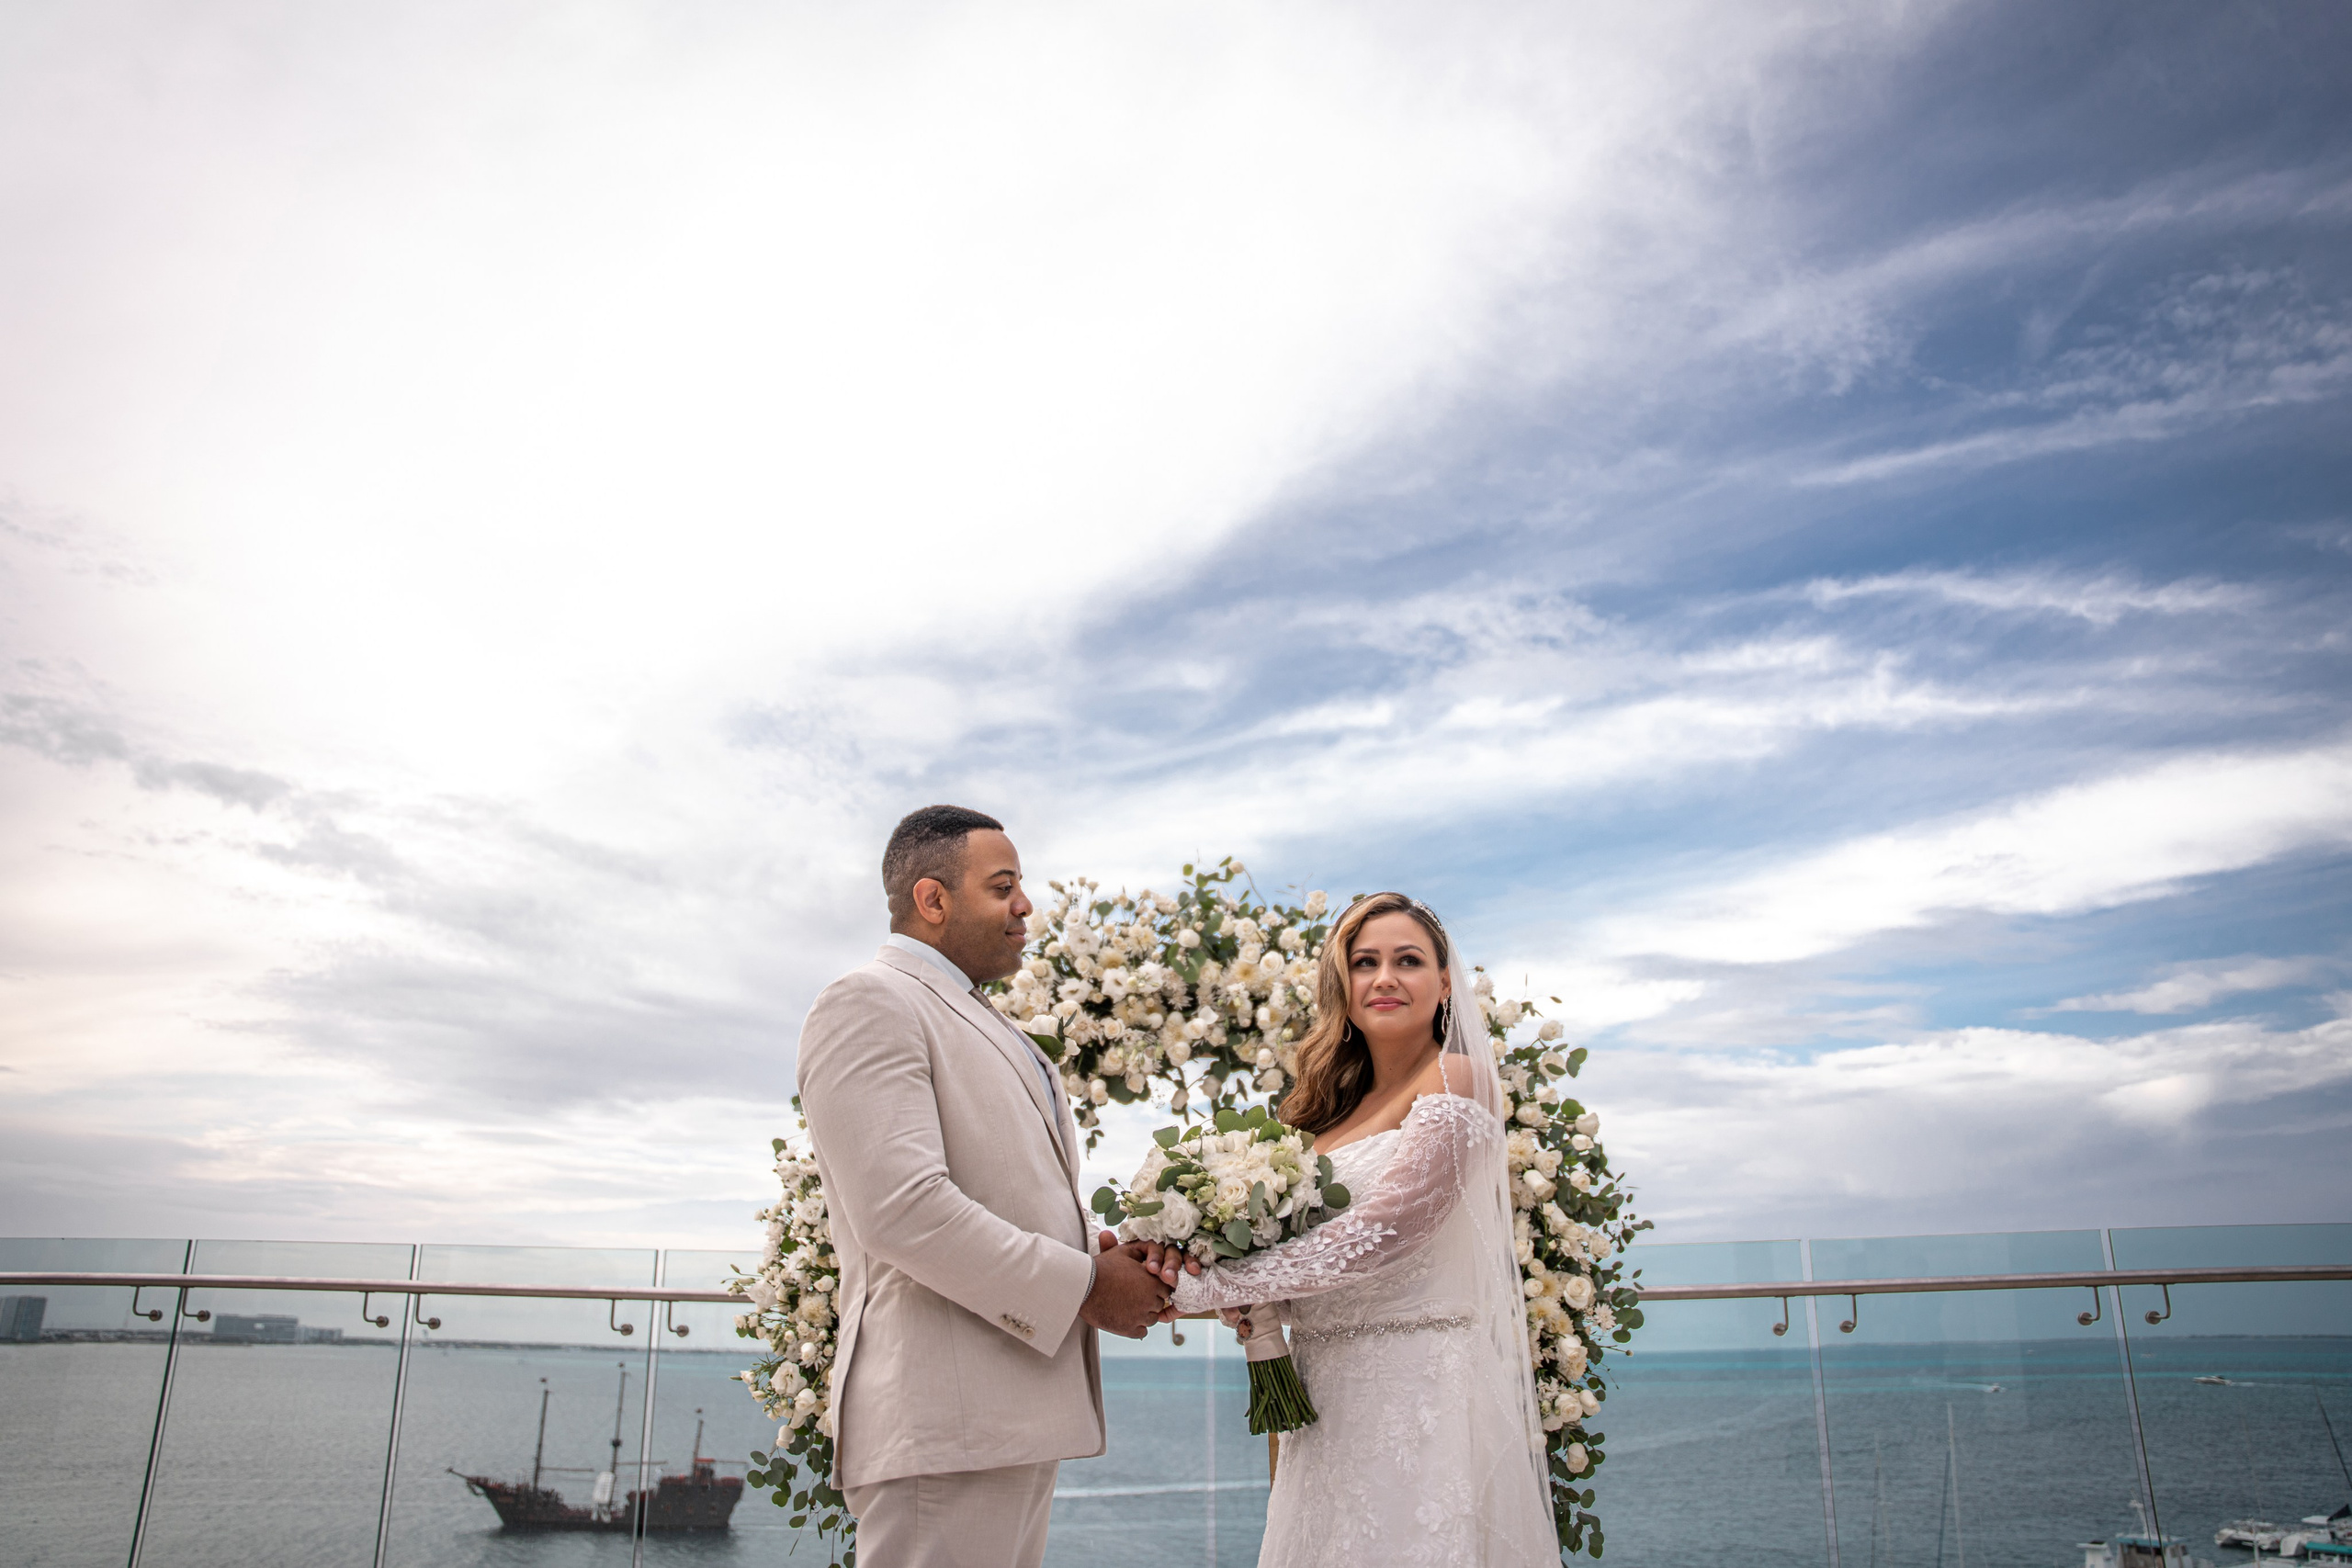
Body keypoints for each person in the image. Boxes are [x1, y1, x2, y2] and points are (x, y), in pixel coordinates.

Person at [794, 805, 1180, 1568]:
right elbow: (903, 1211)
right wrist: (1084, 1286)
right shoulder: (870, 1001)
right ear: (933, 900)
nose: (1026, 905)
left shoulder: (980, 1018)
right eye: (1002, 886)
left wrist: (1096, 1254)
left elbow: (999, 1189)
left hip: (1000, 1416)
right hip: (946, 1425)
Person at [1157, 891, 1558, 1567]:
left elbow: (1389, 1229)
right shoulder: (1321, 1117)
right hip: (1325, 1397)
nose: (1384, 977)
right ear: (1343, 981)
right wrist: (1237, 1280)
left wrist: (1199, 1287)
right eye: (1364, 961)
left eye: (1408, 960)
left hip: (1420, 1389)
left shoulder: (1458, 1077)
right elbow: (1294, 1248)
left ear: (1444, 981)